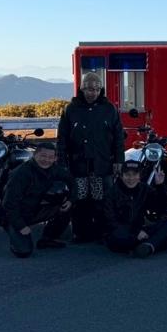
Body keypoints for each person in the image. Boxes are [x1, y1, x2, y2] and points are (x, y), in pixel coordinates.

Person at [56, 71, 126, 243]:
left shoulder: (109, 109)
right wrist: (62, 162)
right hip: (78, 163)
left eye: (96, 89)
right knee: (79, 198)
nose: (92, 93)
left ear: (100, 90)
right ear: (82, 89)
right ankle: (80, 233)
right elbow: (62, 138)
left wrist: (119, 160)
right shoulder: (71, 109)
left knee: (101, 199)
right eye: (88, 89)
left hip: (102, 163)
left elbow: (118, 137)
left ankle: (102, 232)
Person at [1, 141, 73, 258]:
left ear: (55, 158)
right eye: (43, 156)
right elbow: (9, 204)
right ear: (35, 155)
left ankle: (48, 238)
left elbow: (72, 182)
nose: (46, 160)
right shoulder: (21, 173)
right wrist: (21, 226)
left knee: (67, 207)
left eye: (50, 157)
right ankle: (11, 228)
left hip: (34, 210)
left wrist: (71, 200)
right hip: (16, 214)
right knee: (23, 251)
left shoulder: (55, 169)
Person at [103, 160, 167, 258]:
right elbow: (111, 222)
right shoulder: (111, 193)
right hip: (122, 232)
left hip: (141, 230)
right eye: (127, 175)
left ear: (139, 176)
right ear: (121, 176)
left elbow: (161, 207)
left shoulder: (144, 189)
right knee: (116, 237)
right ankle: (153, 243)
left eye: (135, 174)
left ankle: (147, 246)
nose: (131, 178)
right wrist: (135, 232)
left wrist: (160, 186)